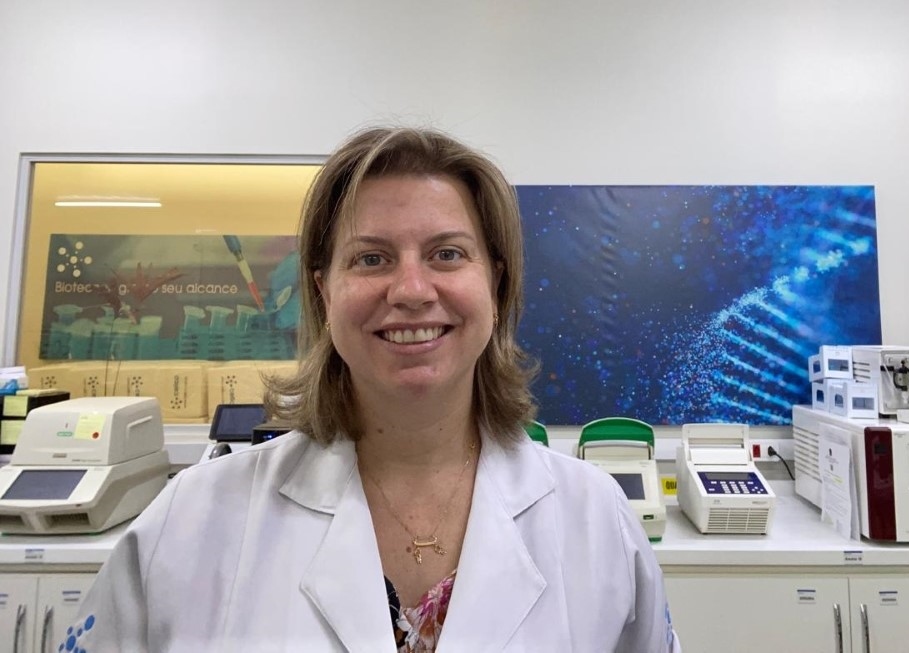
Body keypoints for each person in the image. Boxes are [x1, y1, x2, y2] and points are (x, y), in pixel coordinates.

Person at [64, 126, 681, 652]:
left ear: (494, 283)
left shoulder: (596, 520)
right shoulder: (194, 519)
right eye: (370, 259)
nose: (411, 289)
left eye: (446, 253)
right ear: (324, 292)